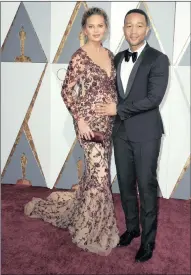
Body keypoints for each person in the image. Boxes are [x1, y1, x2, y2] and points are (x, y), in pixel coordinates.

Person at [24, 7, 119, 256]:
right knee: (100, 177)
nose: (96, 30)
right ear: (84, 30)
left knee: (93, 176)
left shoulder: (110, 55)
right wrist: (81, 122)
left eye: (100, 26)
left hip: (107, 124)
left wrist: (115, 109)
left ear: (106, 28)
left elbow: (112, 90)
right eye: (91, 26)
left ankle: (80, 215)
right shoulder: (80, 56)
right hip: (88, 125)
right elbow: (67, 91)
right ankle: (92, 230)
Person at [96, 9, 169, 262]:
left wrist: (119, 109)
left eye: (139, 26)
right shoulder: (116, 58)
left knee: (147, 188)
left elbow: (153, 99)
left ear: (146, 30)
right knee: (125, 185)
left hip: (147, 133)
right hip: (121, 132)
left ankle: (147, 243)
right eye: (129, 26)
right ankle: (132, 228)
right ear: (124, 29)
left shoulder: (158, 59)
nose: (134, 31)